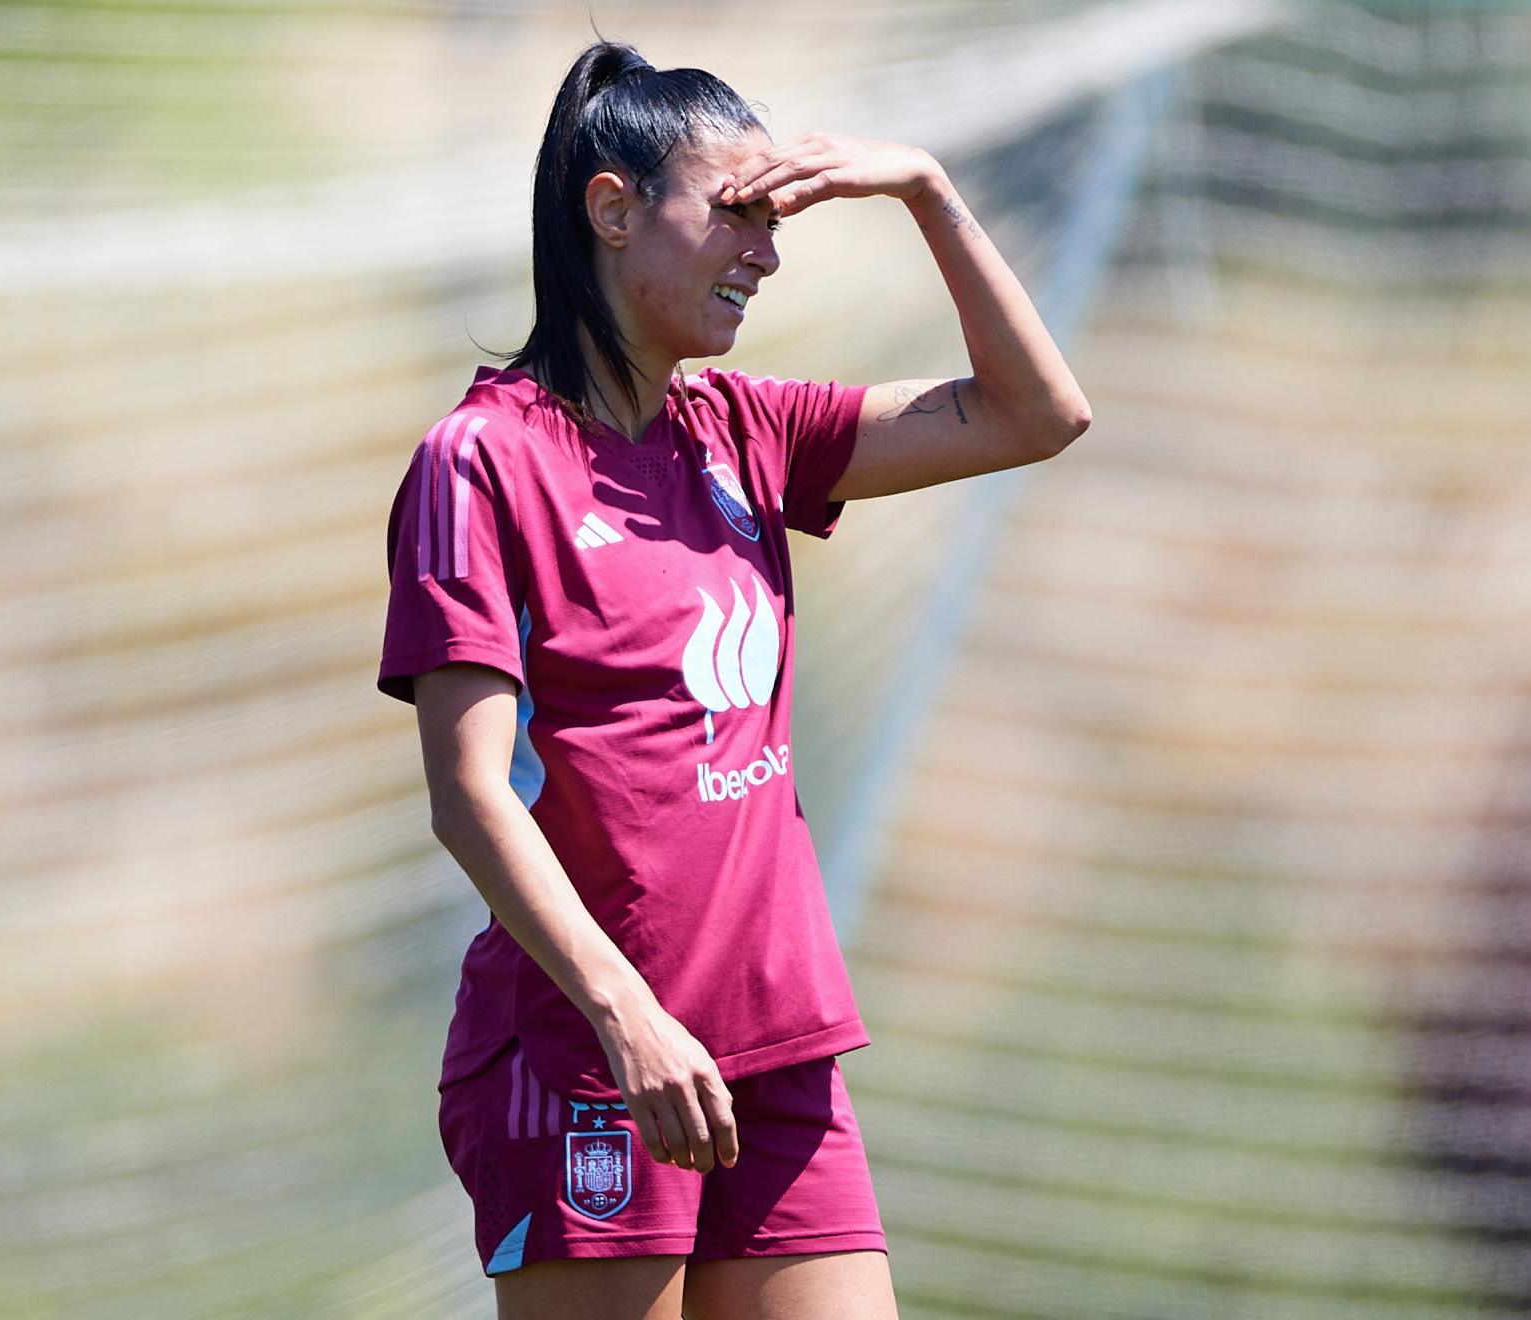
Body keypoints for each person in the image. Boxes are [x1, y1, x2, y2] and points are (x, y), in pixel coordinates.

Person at [375, 36, 1089, 1320]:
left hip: (780, 1047)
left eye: (776, 218)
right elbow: (469, 794)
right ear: (611, 209)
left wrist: (925, 188)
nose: (765, 252)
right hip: (589, 1057)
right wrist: (627, 1017)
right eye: (737, 214)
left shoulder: (748, 433)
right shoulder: (479, 462)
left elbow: (1039, 414)